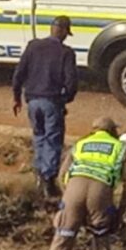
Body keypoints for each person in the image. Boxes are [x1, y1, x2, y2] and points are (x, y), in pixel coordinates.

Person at [38, 116, 126, 250]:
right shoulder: (122, 149)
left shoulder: (80, 144)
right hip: (100, 194)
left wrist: (69, 197)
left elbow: (62, 175)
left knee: (62, 239)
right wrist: (120, 211)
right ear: (113, 132)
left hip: (73, 190)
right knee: (100, 241)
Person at [12, 15, 78, 198]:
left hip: (32, 102)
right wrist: (65, 99)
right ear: (64, 31)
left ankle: (39, 175)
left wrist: (16, 97)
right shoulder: (66, 53)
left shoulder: (33, 46)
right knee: (52, 140)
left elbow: (19, 73)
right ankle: (48, 180)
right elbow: (71, 82)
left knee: (39, 137)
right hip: (51, 101)